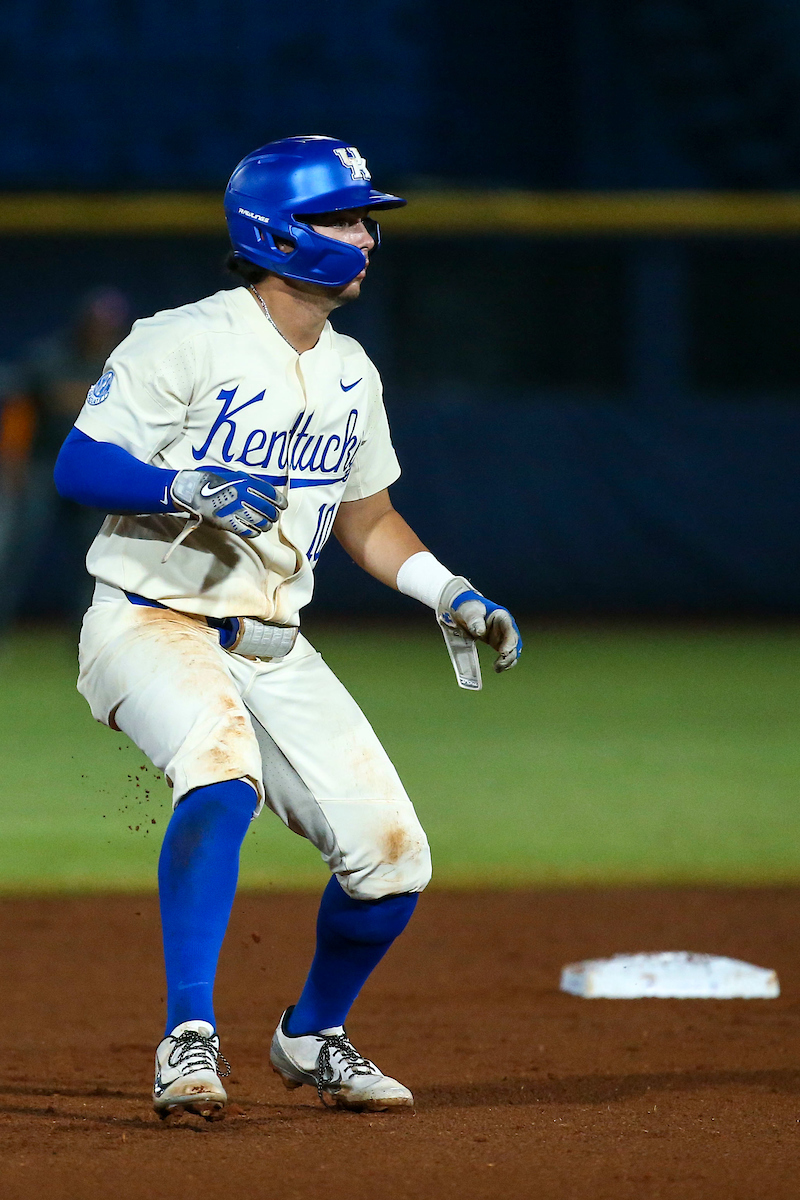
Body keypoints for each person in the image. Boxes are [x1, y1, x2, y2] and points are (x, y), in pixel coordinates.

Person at [54, 136, 521, 1120]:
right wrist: (177, 484)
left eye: (364, 219)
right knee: (220, 773)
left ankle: (311, 1034)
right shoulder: (180, 338)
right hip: (149, 619)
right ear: (278, 232)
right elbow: (78, 465)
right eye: (344, 217)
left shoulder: (351, 372)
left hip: (274, 645)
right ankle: (187, 1038)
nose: (364, 236)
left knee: (393, 860)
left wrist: (450, 592)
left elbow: (367, 520)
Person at [2, 289, 131, 630]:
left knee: (94, 557)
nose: (99, 330)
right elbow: (18, 414)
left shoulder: (122, 363)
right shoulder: (48, 358)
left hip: (92, 470)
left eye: (108, 324)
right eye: (95, 322)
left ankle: (86, 632)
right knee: (15, 551)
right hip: (41, 468)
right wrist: (12, 464)